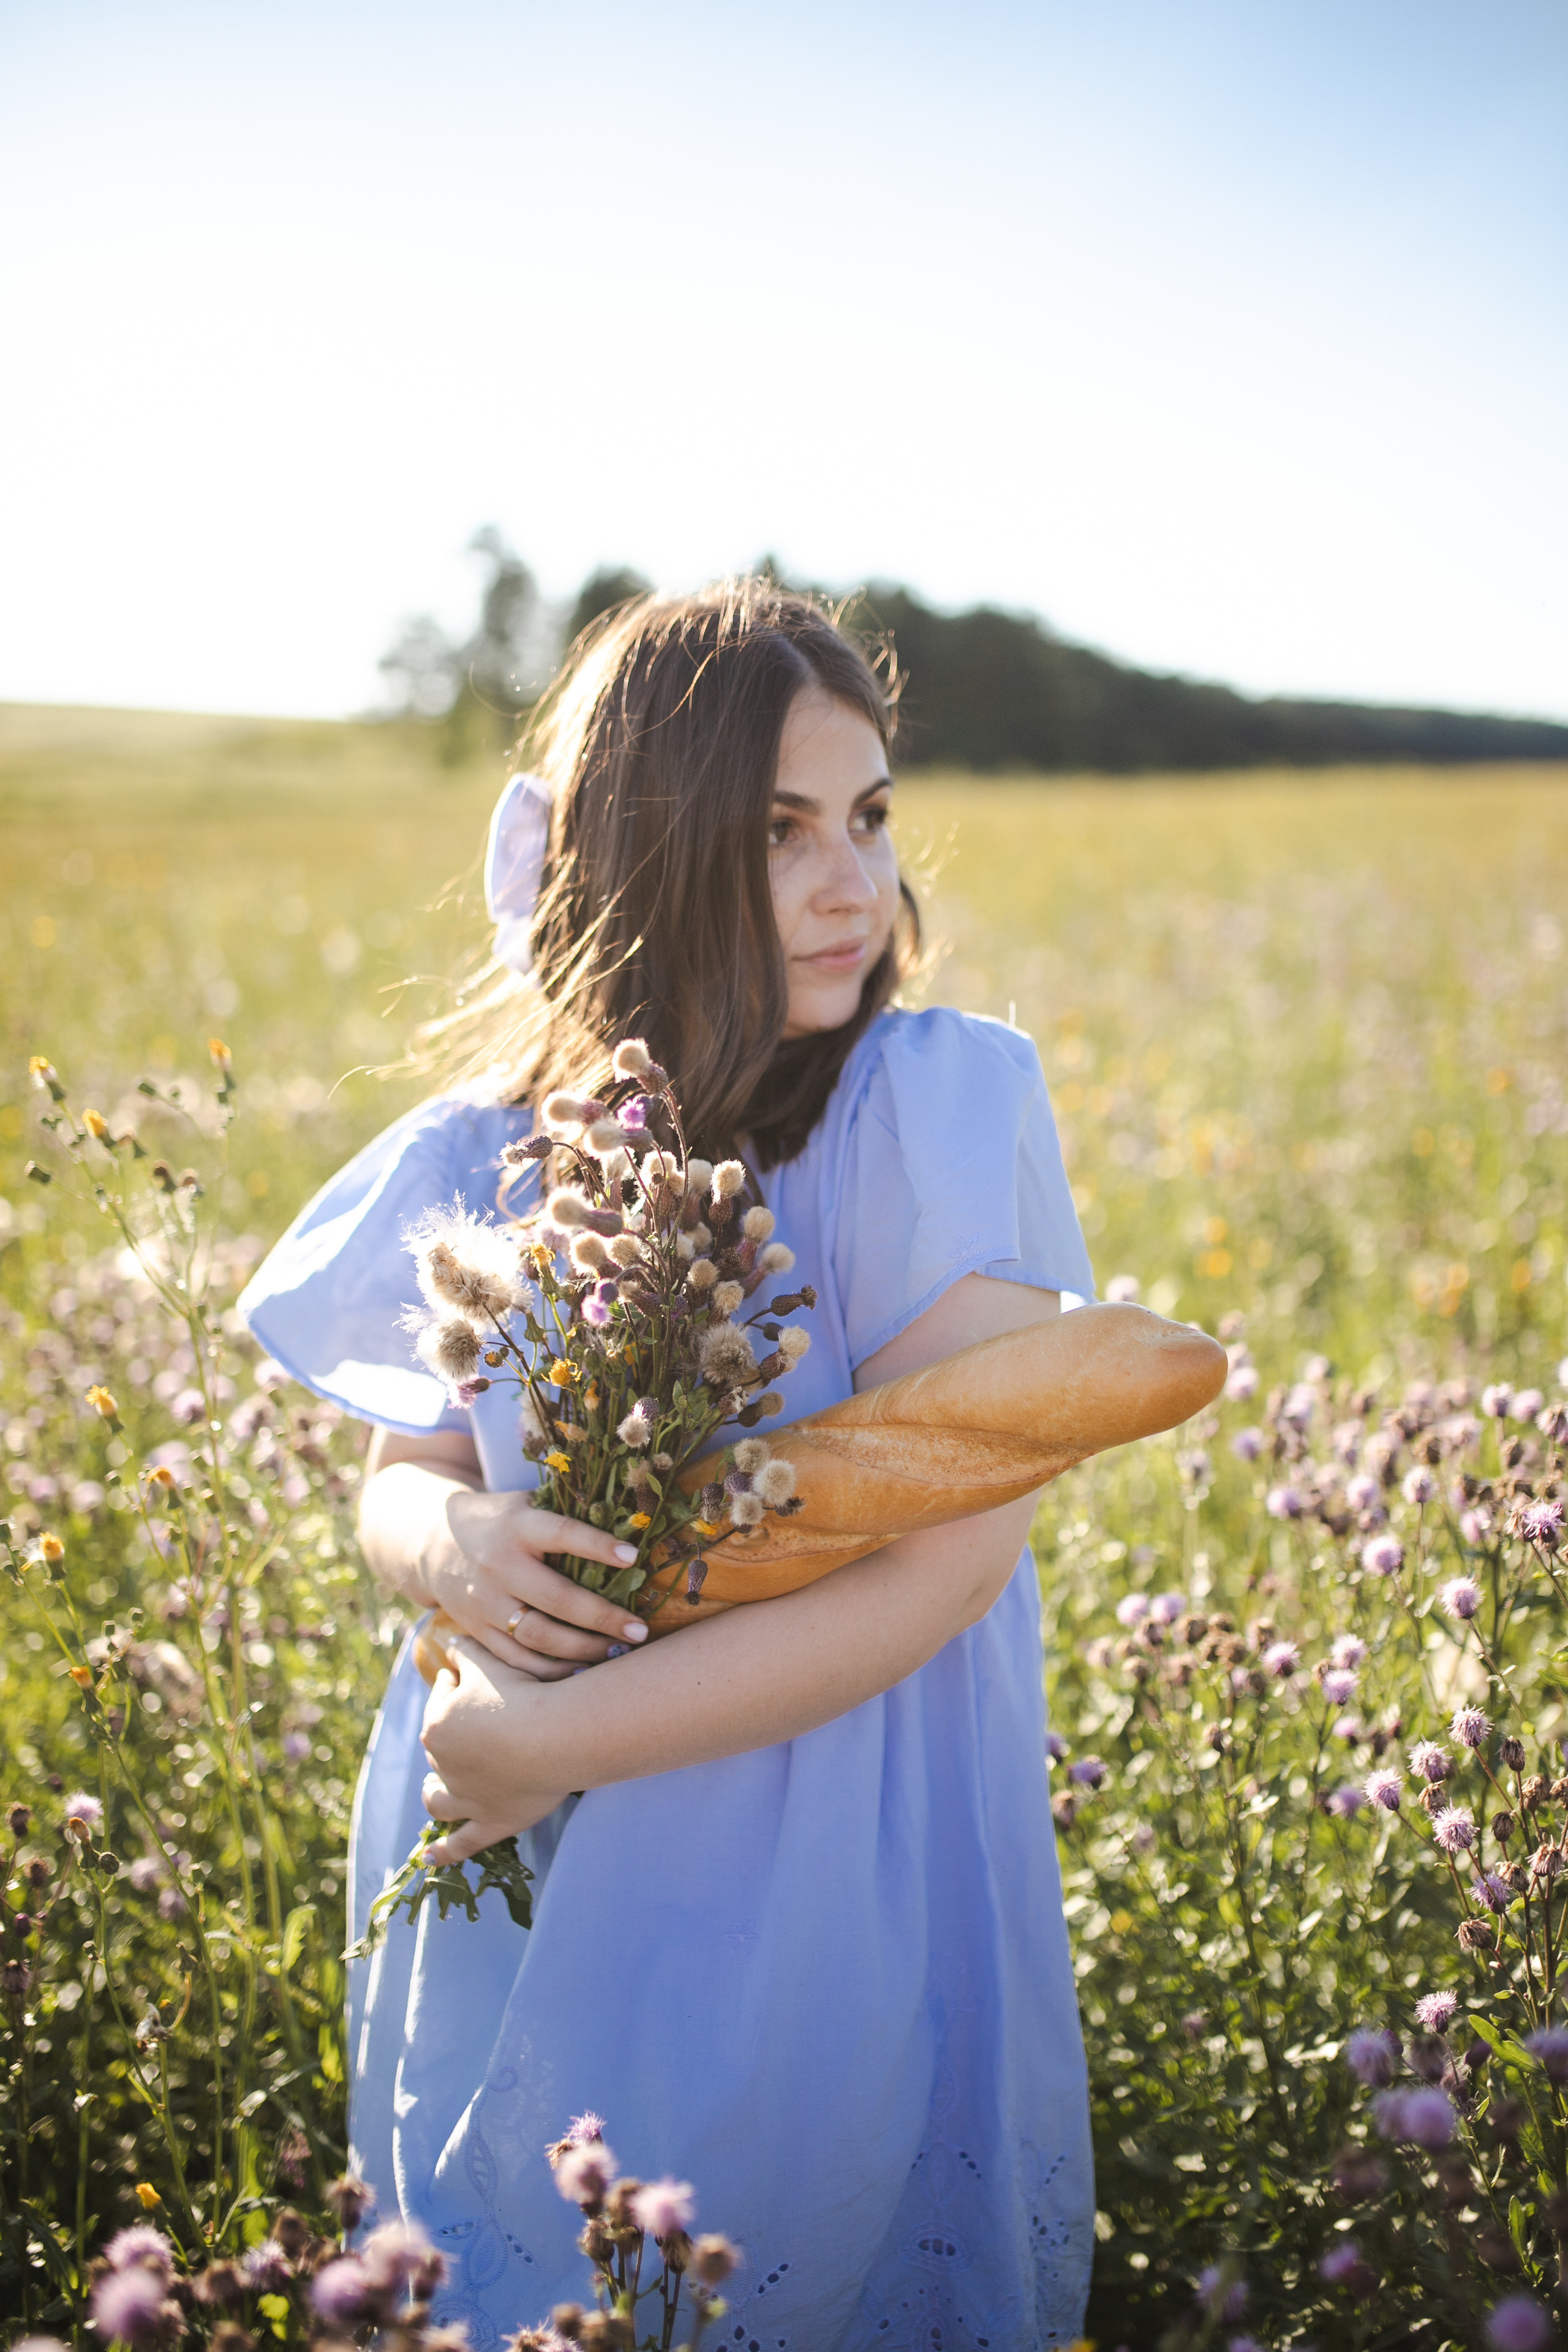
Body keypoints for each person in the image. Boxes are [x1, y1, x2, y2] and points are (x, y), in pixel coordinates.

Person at [239, 581, 1098, 2350]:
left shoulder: (921, 1112)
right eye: (779, 833)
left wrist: (539, 1738)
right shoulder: (495, 1149)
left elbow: (942, 1562)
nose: (852, 883)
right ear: (641, 850)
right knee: (530, 2262)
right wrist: (447, 1533)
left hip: (819, 1844)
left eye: (868, 820)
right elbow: (396, 1472)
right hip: (521, 1868)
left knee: (790, 2250)